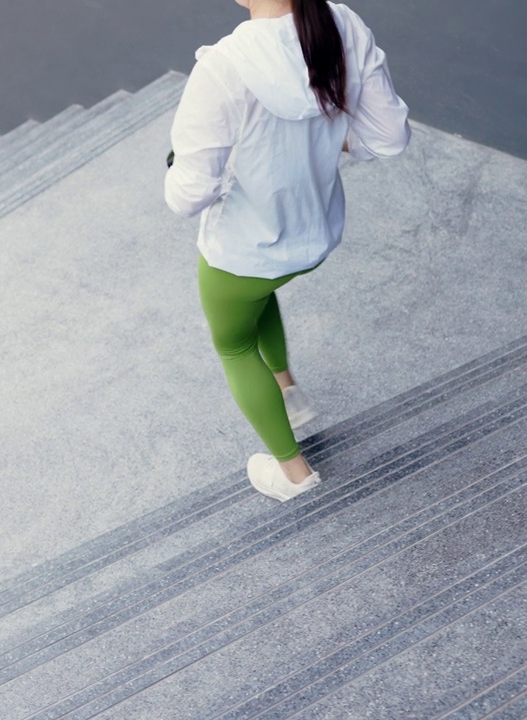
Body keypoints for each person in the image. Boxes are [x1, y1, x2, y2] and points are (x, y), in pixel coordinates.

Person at [165, 0, 410, 501]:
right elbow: (389, 137)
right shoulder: (341, 23)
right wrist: (323, 139)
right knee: (261, 296)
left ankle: (294, 475)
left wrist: (174, 167)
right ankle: (287, 390)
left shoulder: (222, 67)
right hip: (315, 234)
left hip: (243, 251)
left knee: (233, 345)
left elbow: (187, 197)